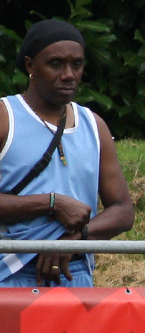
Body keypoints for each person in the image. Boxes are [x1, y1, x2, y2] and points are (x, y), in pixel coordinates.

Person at [0, 19, 134, 287]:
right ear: (30, 66)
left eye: (77, 64)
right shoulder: (6, 117)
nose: (69, 74)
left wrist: (75, 239)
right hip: (10, 273)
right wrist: (51, 203)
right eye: (56, 64)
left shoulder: (94, 125)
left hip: (74, 272)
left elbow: (123, 210)